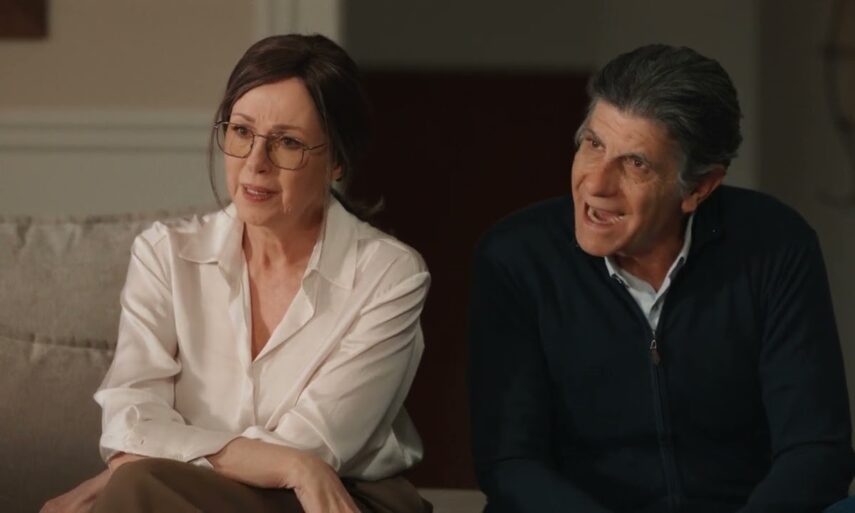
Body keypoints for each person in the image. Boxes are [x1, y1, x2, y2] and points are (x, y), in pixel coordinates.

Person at [41, 34, 431, 513]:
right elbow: (130, 419)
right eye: (242, 132)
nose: (255, 163)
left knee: (135, 488)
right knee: (140, 487)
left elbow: (315, 445)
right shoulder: (165, 255)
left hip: (333, 495)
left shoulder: (390, 276)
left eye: (287, 143)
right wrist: (288, 465)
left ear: (336, 161)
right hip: (189, 494)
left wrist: (135, 467)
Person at [468, 44, 853, 513]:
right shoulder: (516, 257)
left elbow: (816, 450)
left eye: (636, 163)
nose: (596, 184)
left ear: (698, 188)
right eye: (593, 144)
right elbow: (510, 462)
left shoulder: (776, 245)